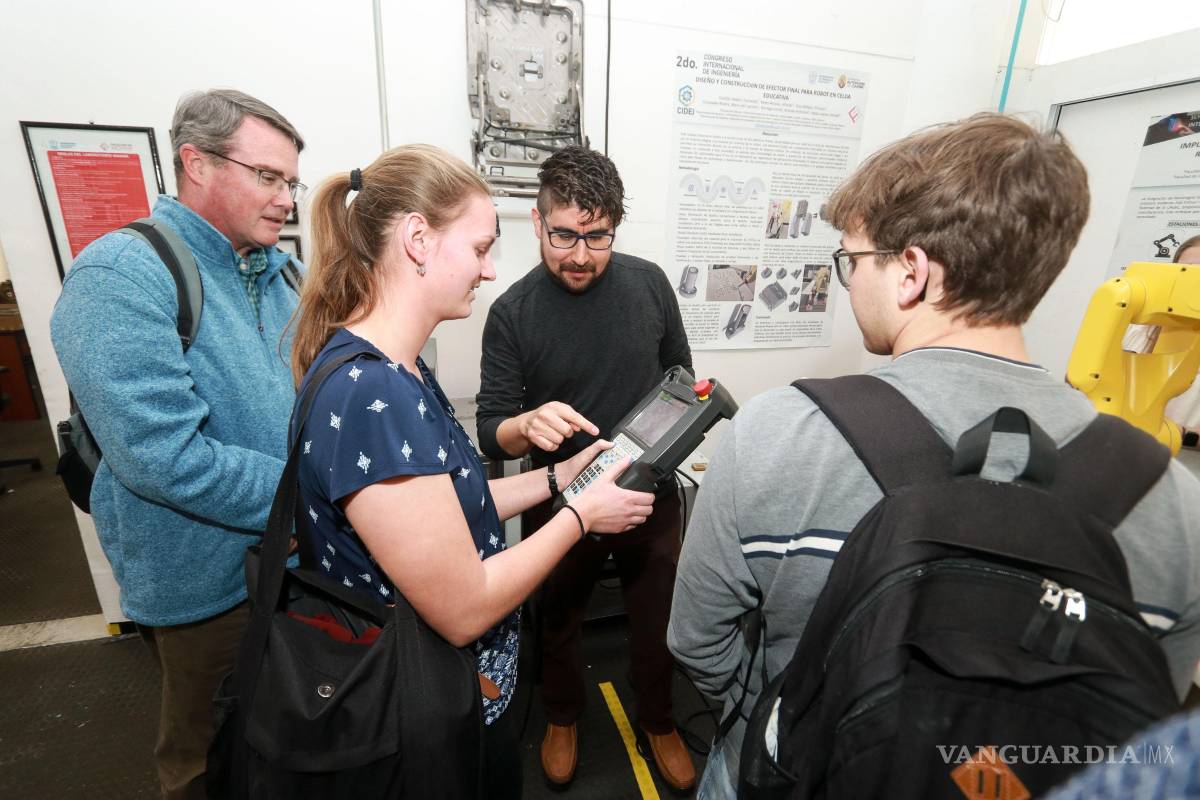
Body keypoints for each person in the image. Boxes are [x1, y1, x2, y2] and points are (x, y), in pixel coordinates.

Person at [666, 113, 1200, 798]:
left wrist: (770, 723)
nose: (847, 281)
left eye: (851, 259)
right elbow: (1149, 722)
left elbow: (697, 642)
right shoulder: (1174, 504)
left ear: (911, 273)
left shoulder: (773, 434)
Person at [290, 144, 654, 799]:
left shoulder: (397, 368)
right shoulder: (375, 397)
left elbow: (446, 505)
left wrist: (556, 476)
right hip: (418, 715)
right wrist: (580, 515)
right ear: (419, 240)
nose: (488, 272)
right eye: (481, 248)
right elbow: (463, 609)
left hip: (447, 698)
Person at [50, 89, 306, 799]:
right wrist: (313, 494)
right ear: (196, 162)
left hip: (290, 559)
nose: (286, 198)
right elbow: (166, 460)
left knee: (286, 731)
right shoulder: (118, 277)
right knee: (207, 754)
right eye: (268, 176)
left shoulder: (281, 273)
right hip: (205, 582)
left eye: (291, 180)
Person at [475, 145, 697, 791]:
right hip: (561, 494)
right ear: (539, 223)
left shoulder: (650, 283)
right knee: (559, 616)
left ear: (614, 228)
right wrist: (524, 425)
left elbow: (681, 377)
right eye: (564, 234)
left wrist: (675, 437)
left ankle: (659, 719)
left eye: (596, 236)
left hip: (648, 491)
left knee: (657, 617)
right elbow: (492, 426)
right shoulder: (513, 313)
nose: (579, 253)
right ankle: (563, 716)